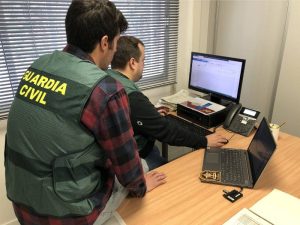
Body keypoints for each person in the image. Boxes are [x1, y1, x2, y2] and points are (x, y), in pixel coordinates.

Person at [4, 1, 166, 225]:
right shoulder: (105, 89)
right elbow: (129, 171)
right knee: (150, 165)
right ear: (105, 42)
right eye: (117, 42)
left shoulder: (37, 65)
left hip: (22, 205)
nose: (116, 51)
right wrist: (141, 186)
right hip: (67, 217)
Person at [108, 36, 229, 170]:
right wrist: (205, 140)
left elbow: (130, 115)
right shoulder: (133, 98)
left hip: (119, 152)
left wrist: (150, 115)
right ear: (132, 63)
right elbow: (167, 131)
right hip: (137, 156)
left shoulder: (108, 78)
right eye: (143, 60)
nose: (144, 65)